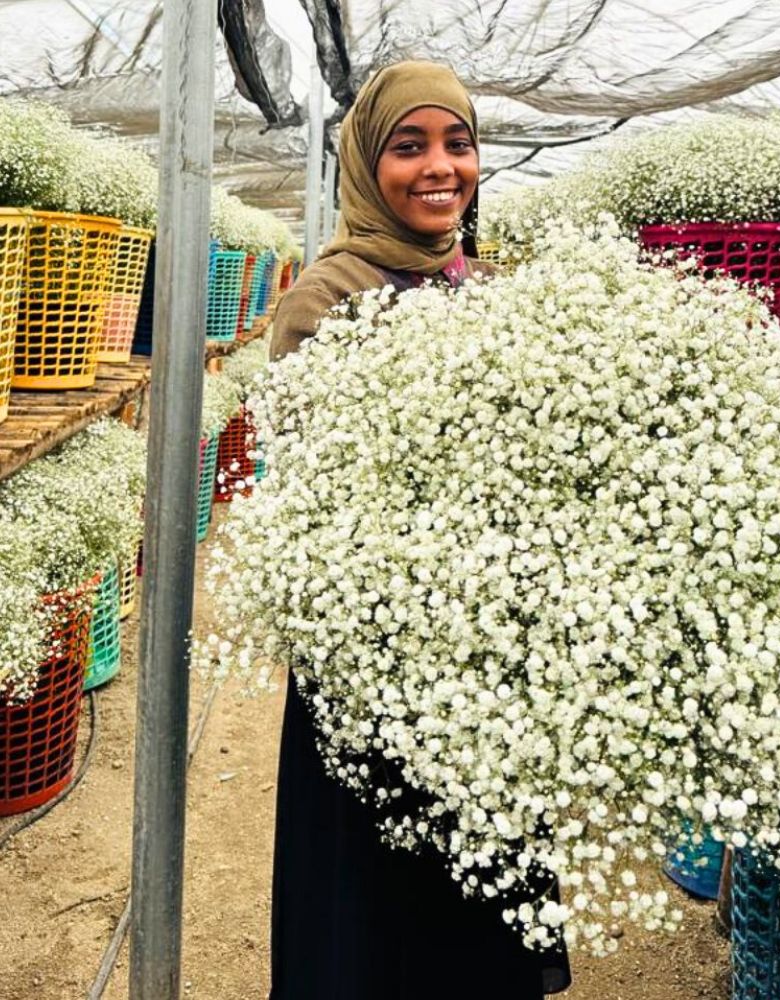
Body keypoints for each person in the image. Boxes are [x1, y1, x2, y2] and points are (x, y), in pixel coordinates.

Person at [267, 61, 572, 1000]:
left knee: (477, 938)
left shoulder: (495, 292)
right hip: (376, 671)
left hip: (493, 675)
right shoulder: (323, 302)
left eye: (458, 143)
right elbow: (312, 507)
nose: (440, 168)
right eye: (409, 147)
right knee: (370, 930)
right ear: (367, 164)